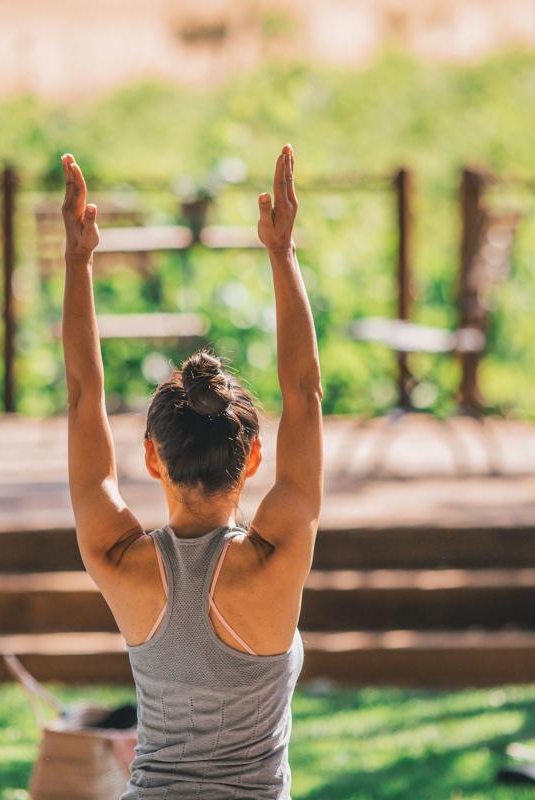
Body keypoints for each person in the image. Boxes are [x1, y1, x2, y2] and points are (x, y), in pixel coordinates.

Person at [60, 145, 323, 799]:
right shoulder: (275, 562)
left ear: (153, 457)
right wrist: (282, 253)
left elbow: (82, 396)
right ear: (253, 457)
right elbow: (305, 394)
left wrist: (78, 261)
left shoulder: (119, 560)